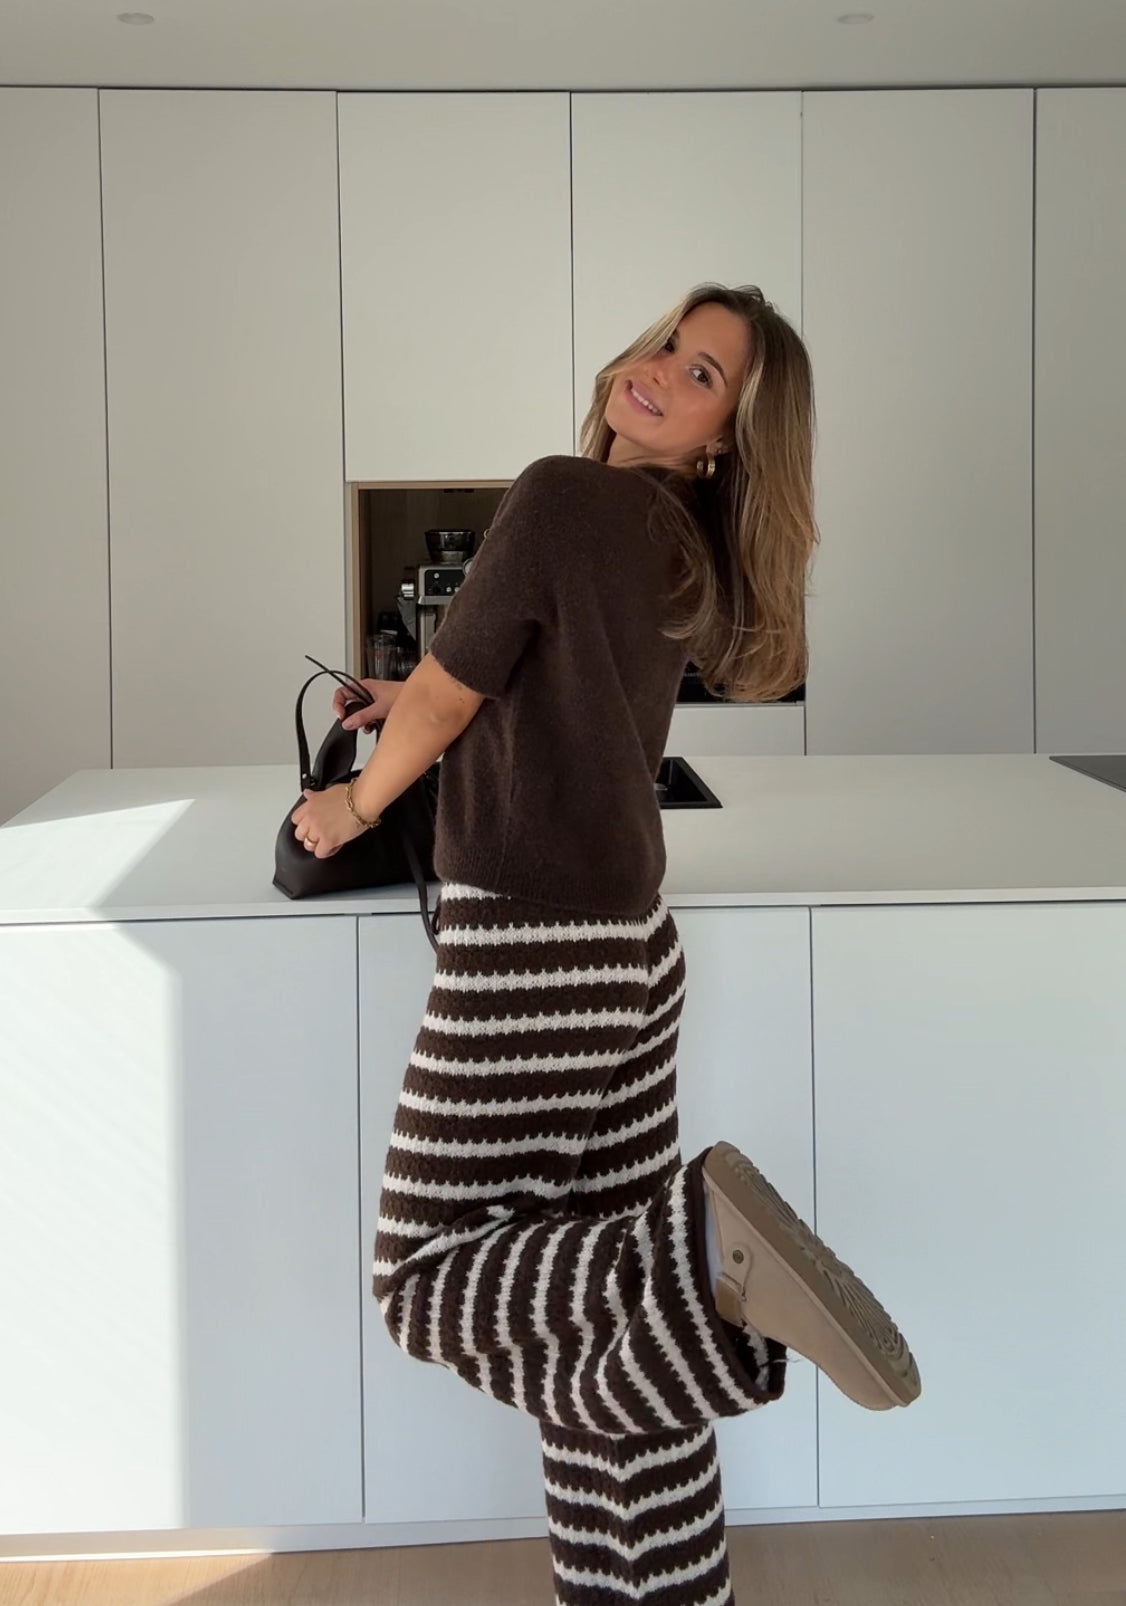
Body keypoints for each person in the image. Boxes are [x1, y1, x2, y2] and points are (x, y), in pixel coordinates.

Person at [290, 282, 921, 1606]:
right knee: (600, 1351)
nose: (658, 372)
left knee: (423, 1279)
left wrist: (350, 805)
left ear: (722, 437)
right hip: (629, 950)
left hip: (534, 953)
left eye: (701, 375)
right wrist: (419, 696)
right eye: (669, 345)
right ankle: (666, 1585)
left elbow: (452, 697)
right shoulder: (673, 540)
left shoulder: (562, 495)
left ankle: (704, 1259)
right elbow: (523, 686)